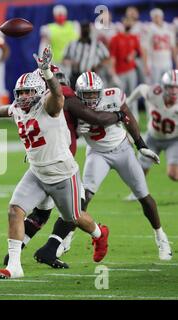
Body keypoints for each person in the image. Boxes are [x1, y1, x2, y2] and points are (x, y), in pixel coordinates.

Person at [0, 47, 109, 279]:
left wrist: (47, 73)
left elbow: (58, 95)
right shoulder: (19, 107)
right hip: (37, 172)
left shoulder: (49, 106)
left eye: (28, 92)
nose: (23, 97)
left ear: (39, 91)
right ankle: (14, 267)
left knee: (75, 218)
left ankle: (100, 233)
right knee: (14, 210)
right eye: (20, 92)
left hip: (62, 173)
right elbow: (7, 110)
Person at [75, 71, 172, 261]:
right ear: (79, 93)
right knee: (83, 199)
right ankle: (67, 237)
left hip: (122, 150)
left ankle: (161, 236)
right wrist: (77, 131)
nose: (92, 98)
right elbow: (67, 131)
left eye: (95, 93)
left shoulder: (113, 96)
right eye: (87, 94)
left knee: (144, 196)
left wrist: (141, 145)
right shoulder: (73, 106)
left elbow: (127, 117)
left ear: (101, 91)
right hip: (97, 153)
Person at [125, 70, 178, 200]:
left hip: (173, 139)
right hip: (152, 137)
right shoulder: (155, 93)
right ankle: (137, 193)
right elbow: (141, 88)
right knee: (140, 168)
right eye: (171, 87)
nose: (174, 91)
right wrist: (128, 102)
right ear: (164, 87)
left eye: (177, 87)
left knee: (173, 174)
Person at [109, 16, 148, 120]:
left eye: (130, 21)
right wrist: (113, 73)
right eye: (127, 21)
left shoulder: (134, 37)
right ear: (122, 22)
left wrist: (133, 54)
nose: (128, 23)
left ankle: (135, 117)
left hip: (131, 70)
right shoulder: (115, 38)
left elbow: (138, 52)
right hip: (120, 71)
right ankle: (120, 117)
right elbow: (112, 57)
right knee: (120, 96)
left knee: (133, 94)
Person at [62, 21, 111, 89]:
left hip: (92, 77)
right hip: (76, 75)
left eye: (87, 28)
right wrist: (72, 62)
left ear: (90, 30)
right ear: (80, 30)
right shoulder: (72, 44)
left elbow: (107, 59)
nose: (85, 30)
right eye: (83, 28)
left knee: (91, 97)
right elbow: (64, 59)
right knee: (74, 97)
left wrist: (98, 65)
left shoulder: (97, 45)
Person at [145, 8, 177, 85]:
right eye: (155, 17)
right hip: (154, 63)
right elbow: (144, 48)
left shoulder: (169, 28)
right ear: (152, 18)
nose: (157, 18)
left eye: (158, 16)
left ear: (162, 16)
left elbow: (173, 47)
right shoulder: (149, 28)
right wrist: (146, 64)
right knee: (155, 86)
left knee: (168, 84)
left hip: (167, 62)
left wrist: (176, 61)